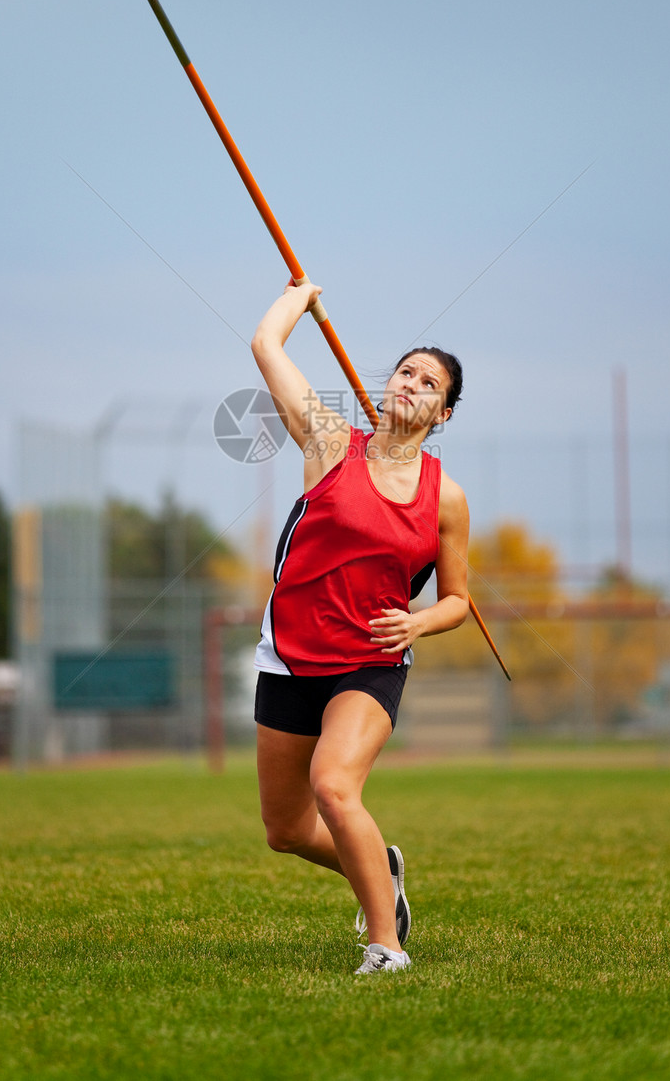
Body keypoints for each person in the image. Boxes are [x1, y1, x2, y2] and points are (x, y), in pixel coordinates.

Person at [251, 280, 470, 974]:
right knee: (285, 830)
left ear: (444, 411)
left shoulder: (447, 496)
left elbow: (459, 598)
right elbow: (265, 344)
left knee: (335, 786)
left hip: (368, 661)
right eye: (406, 371)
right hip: (290, 652)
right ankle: (381, 865)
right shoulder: (329, 443)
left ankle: (387, 946)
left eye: (429, 382)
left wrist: (419, 621)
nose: (412, 383)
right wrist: (298, 294)